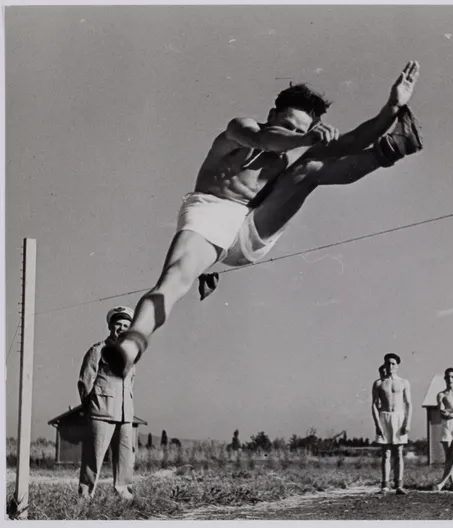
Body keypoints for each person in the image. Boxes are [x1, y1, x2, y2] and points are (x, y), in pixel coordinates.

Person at [105, 61, 423, 377]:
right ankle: (131, 346)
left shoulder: (299, 150)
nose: (294, 135)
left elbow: (353, 141)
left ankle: (390, 150)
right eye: (287, 125)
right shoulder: (240, 129)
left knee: (310, 169)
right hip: (211, 211)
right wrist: (305, 139)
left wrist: (393, 107)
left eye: (301, 130)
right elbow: (263, 140)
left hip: (252, 228)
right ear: (271, 116)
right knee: (175, 277)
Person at [77, 306, 137, 500]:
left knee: (125, 458)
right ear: (110, 326)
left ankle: (123, 494)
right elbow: (85, 382)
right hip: (101, 412)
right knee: (93, 458)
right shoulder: (98, 350)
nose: (121, 329)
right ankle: (85, 496)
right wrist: (91, 407)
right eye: (118, 324)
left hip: (125, 414)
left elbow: (130, 383)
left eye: (126, 325)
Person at [371, 353, 412, 495]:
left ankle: (399, 484)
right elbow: (375, 405)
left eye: (393, 363)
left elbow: (408, 403)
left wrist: (407, 422)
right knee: (386, 453)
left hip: (399, 417)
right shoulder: (379, 383)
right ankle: (385, 485)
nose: (390, 366)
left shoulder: (404, 382)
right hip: (384, 417)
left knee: (399, 452)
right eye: (388, 363)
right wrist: (377, 424)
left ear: (397, 366)